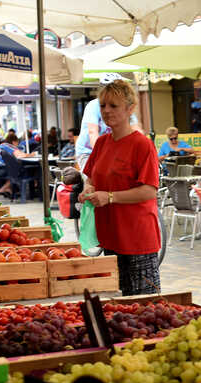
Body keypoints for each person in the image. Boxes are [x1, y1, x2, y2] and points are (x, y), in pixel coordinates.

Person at [79, 79, 161, 296]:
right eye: (103, 105)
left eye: (113, 106)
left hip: (136, 237)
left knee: (144, 303)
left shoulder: (142, 144)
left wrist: (111, 197)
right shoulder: (102, 143)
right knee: (119, 303)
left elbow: (149, 190)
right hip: (110, 235)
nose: (106, 111)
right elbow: (90, 177)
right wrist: (88, 188)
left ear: (130, 108)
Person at [76, 73, 142, 171]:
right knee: (94, 179)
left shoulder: (124, 105)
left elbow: (136, 129)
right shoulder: (93, 106)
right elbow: (93, 132)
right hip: (88, 151)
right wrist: (105, 156)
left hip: (113, 151)